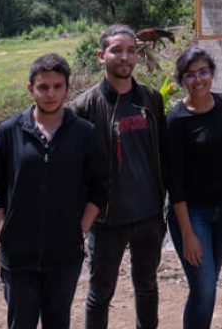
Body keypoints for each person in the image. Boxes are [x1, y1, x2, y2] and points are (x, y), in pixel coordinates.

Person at [0, 53, 107, 329]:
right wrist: (3, 226)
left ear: (67, 88)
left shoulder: (84, 133)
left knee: (58, 322)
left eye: (57, 86)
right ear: (31, 88)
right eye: (43, 87)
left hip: (64, 253)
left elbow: (99, 187)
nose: (50, 94)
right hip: (19, 254)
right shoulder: (9, 132)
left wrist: (82, 227)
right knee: (20, 323)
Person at [71, 24, 168, 329]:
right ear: (102, 56)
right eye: (116, 50)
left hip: (150, 216)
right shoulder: (84, 107)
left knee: (148, 286)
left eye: (130, 50)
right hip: (106, 221)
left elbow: (163, 153)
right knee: (100, 293)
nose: (124, 57)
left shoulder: (151, 99)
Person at [167, 46, 222, 329]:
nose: (198, 79)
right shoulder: (177, 120)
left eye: (203, 72)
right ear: (181, 80)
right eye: (190, 75)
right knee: (203, 288)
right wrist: (187, 233)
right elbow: (174, 182)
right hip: (192, 213)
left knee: (209, 283)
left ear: (212, 73)